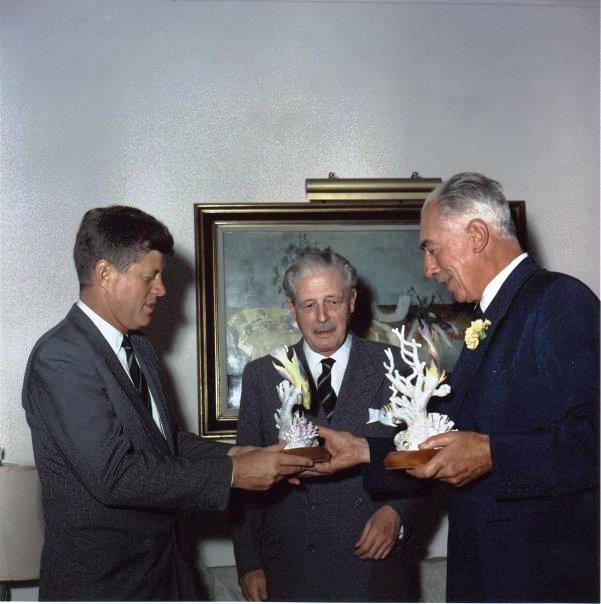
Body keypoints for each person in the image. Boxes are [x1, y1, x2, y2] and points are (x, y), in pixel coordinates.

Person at [317, 173, 600, 603]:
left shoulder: (559, 301)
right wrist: (364, 451)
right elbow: (451, 437)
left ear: (477, 234)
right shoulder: (489, 319)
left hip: (539, 583)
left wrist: (491, 455)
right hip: (486, 575)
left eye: (431, 248)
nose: (428, 269)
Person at [21, 206, 313, 601]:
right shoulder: (61, 357)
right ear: (106, 274)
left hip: (165, 576)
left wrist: (240, 453)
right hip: (103, 588)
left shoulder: (139, 349)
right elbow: (115, 475)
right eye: (150, 276)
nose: (161, 289)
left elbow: (165, 444)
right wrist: (233, 474)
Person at [230, 249, 419, 602]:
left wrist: (396, 514)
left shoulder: (397, 368)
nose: (322, 318)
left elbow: (425, 458)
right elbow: (243, 478)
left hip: (375, 570)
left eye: (332, 301)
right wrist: (249, 563)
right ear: (291, 309)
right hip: (291, 571)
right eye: (308, 305)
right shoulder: (261, 375)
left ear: (352, 302)